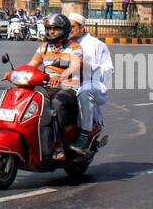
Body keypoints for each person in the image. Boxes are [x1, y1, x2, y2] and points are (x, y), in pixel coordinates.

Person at [29, 14, 86, 155]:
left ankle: (58, 144)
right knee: (32, 98)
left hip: (68, 87)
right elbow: (31, 65)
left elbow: (74, 66)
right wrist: (15, 73)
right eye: (49, 28)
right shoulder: (44, 48)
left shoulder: (74, 48)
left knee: (57, 103)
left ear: (64, 30)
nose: (51, 32)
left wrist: (61, 77)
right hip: (48, 86)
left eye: (55, 28)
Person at [69, 14, 112, 130]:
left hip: (89, 85)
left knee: (84, 91)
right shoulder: (62, 44)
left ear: (82, 28)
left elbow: (107, 73)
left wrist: (87, 66)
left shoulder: (97, 45)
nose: (69, 30)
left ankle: (84, 134)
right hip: (66, 85)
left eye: (72, 26)